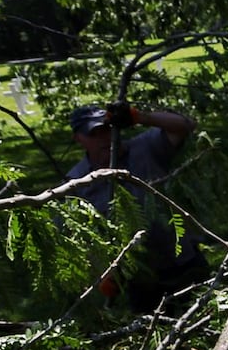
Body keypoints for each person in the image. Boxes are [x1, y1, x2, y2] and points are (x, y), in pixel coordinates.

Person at [65, 102, 208, 309]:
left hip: (183, 261)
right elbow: (82, 235)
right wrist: (103, 273)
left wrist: (139, 117)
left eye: (108, 128)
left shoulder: (145, 148)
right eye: (94, 133)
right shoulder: (77, 181)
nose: (105, 137)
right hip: (140, 278)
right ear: (79, 139)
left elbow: (186, 125)